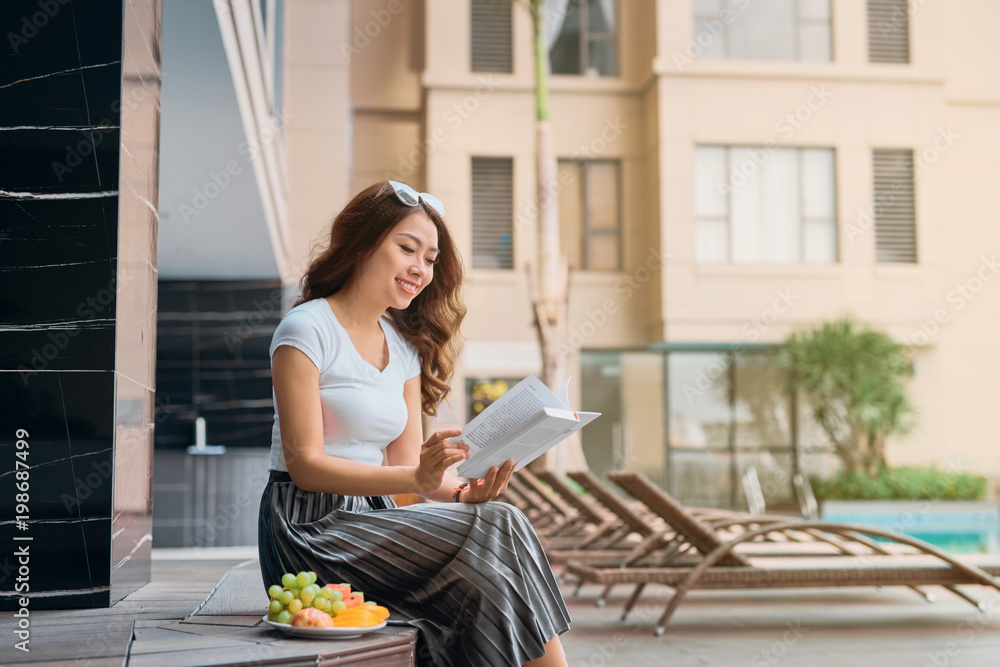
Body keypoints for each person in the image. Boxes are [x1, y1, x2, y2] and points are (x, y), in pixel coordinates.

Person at [257, 181, 571, 667]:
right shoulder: (306, 329)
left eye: (430, 259)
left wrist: (465, 495)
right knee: (501, 527)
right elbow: (305, 465)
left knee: (492, 555)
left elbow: (409, 466)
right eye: (408, 249)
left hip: (376, 519)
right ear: (363, 245)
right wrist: (416, 479)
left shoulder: (402, 347)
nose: (420, 269)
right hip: (309, 527)